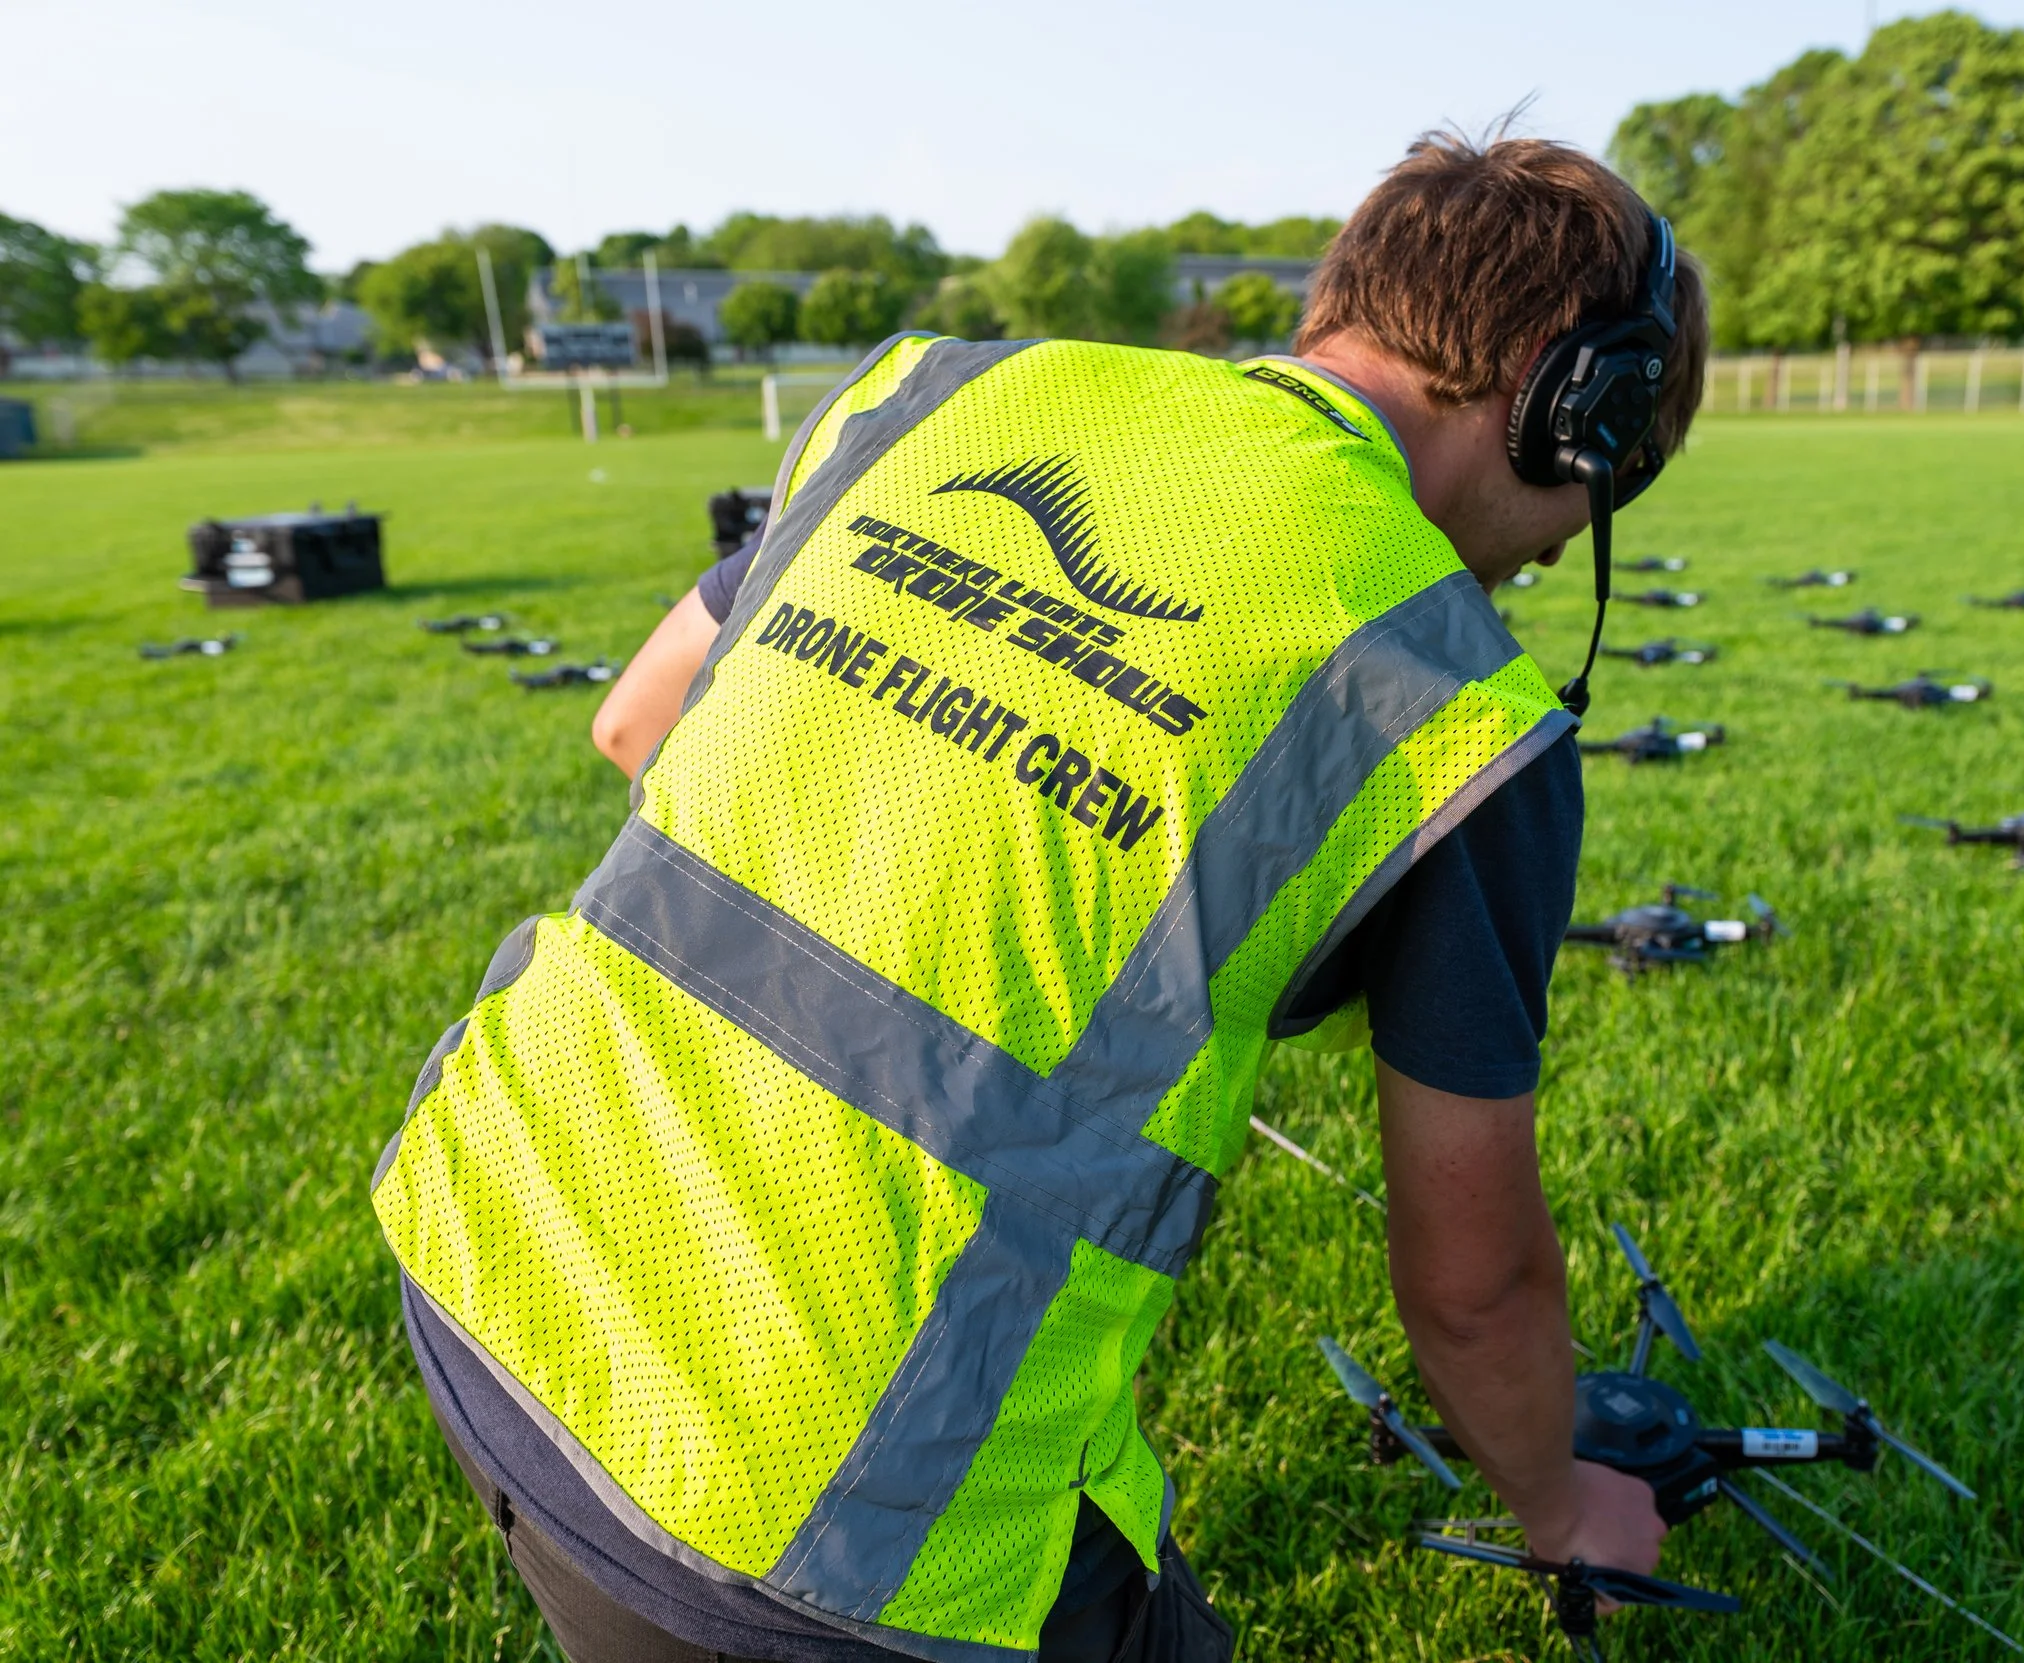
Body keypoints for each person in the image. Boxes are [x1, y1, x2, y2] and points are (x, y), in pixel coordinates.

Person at [374, 128, 1707, 1663]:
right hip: (810, 1527)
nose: (1572, 538)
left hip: (484, 1244)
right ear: (1572, 405)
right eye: (1623, 473)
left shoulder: (944, 389)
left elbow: (636, 722)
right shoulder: (1452, 697)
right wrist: (1566, 1508)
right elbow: (1472, 1291)